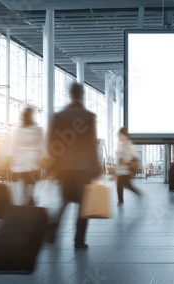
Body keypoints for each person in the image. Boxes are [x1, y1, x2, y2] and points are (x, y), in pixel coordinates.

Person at [46, 83, 101, 250]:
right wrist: (97, 167)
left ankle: (53, 230)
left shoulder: (58, 116)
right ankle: (79, 241)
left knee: (64, 200)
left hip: (63, 167)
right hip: (83, 168)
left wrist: (52, 167)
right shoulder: (88, 116)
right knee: (83, 205)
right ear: (82, 95)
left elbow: (51, 144)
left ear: (69, 94)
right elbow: (92, 145)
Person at [8, 107, 43, 205]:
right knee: (32, 181)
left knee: (25, 181)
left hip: (21, 162)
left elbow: (13, 146)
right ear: (32, 116)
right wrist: (45, 157)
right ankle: (30, 197)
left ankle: (27, 197)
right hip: (33, 161)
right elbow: (42, 145)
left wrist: (9, 159)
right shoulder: (38, 130)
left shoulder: (19, 130)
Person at [116, 127, 140, 205]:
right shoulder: (122, 144)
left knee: (127, 186)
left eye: (119, 135)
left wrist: (125, 162)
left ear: (122, 135)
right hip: (121, 171)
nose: (118, 137)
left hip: (125, 171)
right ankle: (120, 201)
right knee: (121, 186)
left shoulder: (128, 144)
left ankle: (138, 194)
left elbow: (131, 156)